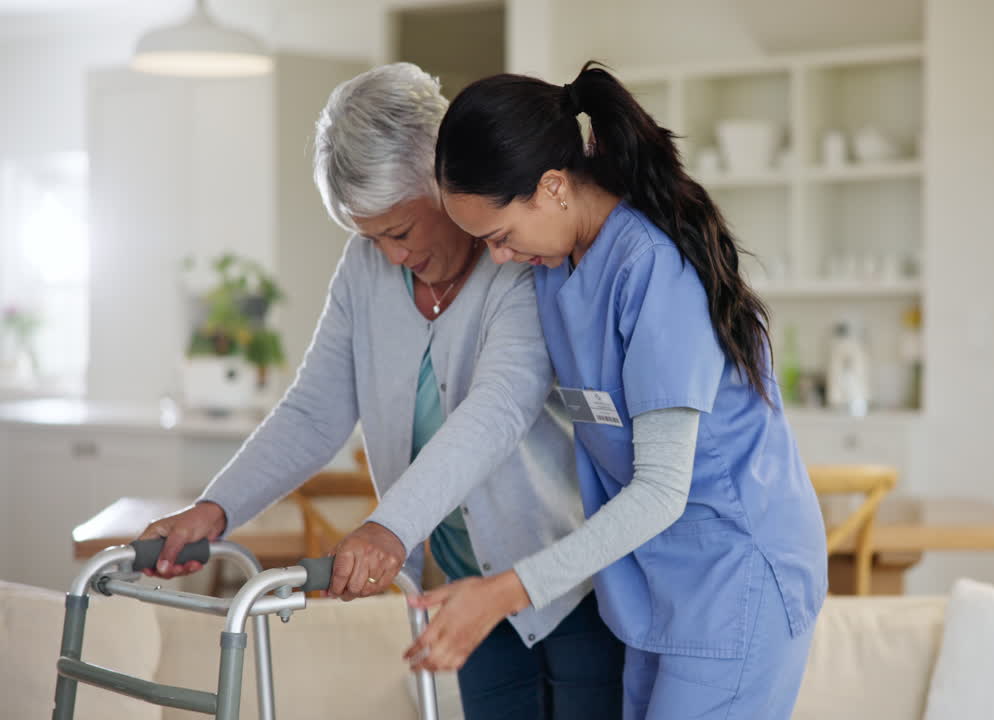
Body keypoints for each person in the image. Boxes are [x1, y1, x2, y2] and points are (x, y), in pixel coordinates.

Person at [135, 63, 623, 720]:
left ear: (442, 184)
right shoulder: (364, 269)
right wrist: (215, 509)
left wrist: (389, 528)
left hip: (570, 579)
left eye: (400, 231)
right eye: (369, 237)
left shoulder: (516, 257)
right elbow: (314, 412)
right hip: (466, 590)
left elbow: (499, 408)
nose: (390, 256)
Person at [415, 62, 828, 719]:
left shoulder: (652, 271)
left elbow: (661, 489)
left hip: (737, 578)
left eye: (500, 236)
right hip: (657, 586)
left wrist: (504, 592)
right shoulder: (558, 266)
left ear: (553, 187)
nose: (499, 258)